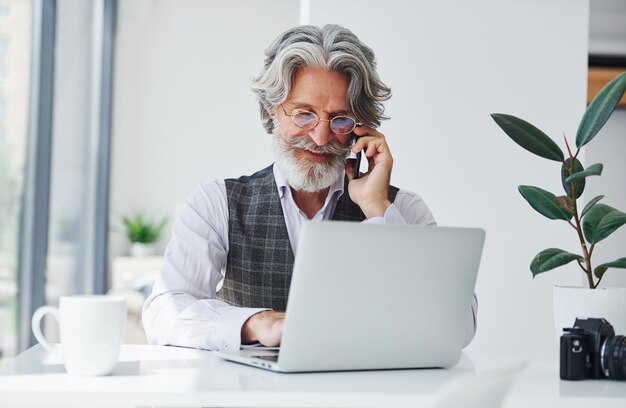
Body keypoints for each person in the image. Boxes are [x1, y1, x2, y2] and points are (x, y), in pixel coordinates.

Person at [142, 24, 478, 351]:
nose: (320, 137)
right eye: (304, 114)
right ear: (273, 109)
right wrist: (258, 323)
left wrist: (377, 209)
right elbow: (163, 311)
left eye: (340, 119)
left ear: (361, 127)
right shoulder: (216, 204)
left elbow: (458, 326)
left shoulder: (402, 210)